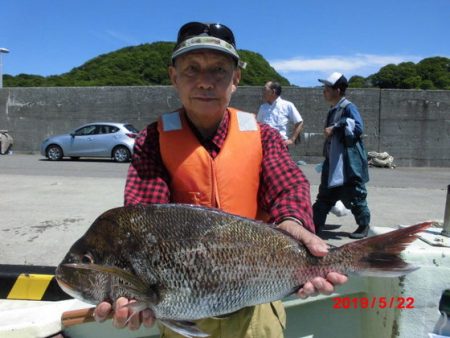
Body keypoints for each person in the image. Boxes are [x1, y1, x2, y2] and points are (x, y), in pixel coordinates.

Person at [94, 22, 347, 337]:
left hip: (255, 300)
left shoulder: (263, 135)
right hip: (180, 305)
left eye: (218, 70)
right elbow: (143, 217)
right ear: (174, 77)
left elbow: (288, 186)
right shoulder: (153, 139)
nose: (205, 82)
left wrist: (293, 222)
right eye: (191, 69)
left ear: (235, 78)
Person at [313, 72, 371, 240]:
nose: (324, 91)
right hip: (333, 161)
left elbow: (358, 127)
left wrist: (337, 127)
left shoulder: (349, 107)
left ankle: (363, 225)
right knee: (324, 194)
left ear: (337, 90)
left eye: (327, 88)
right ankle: (315, 224)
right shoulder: (333, 109)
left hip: (347, 162)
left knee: (355, 193)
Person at [257, 81, 304, 146]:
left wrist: (292, 140)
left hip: (280, 144)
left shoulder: (287, 105)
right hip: (264, 144)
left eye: (265, 89)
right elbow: (258, 125)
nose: (263, 92)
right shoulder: (262, 107)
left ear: (273, 92)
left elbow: (299, 122)